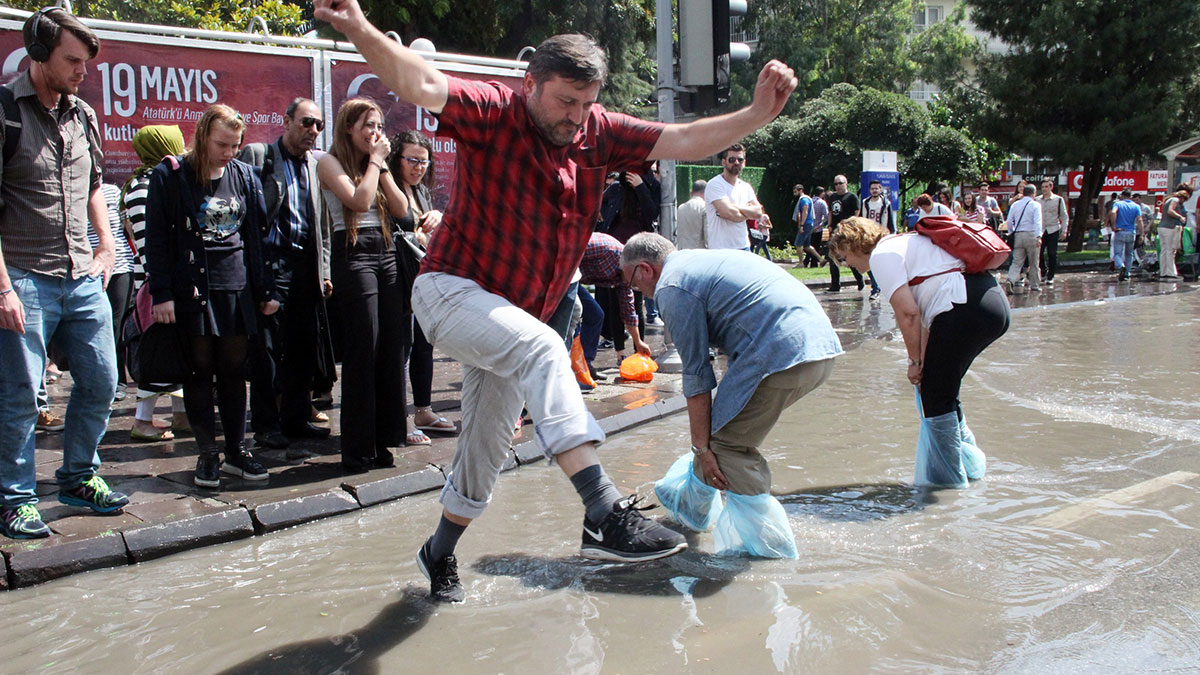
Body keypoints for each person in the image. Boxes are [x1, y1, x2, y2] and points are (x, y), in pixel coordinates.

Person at [315, 0, 797, 603]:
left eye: (586, 104)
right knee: (547, 346)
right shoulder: (495, 111)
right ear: (530, 84)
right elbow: (422, 80)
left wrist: (754, 113)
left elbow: (682, 137)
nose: (576, 117)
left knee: (485, 454)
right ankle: (602, 510)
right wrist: (358, 28)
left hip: (515, 323)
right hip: (449, 291)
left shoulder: (599, 132)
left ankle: (437, 552)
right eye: (564, 101)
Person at [622, 233, 842, 558]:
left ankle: (771, 552)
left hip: (781, 353)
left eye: (633, 284)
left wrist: (701, 449)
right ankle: (694, 515)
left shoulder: (672, 287)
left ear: (644, 269)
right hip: (818, 349)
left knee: (724, 446)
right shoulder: (698, 262)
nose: (637, 292)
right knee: (721, 433)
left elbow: (697, 376)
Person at [0, 8, 131, 538]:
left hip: (82, 273)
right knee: (22, 395)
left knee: (102, 380)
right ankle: (13, 498)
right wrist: (2, 287)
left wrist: (105, 245)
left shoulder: (84, 115)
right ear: (38, 53)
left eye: (87, 62)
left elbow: (95, 184)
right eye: (72, 60)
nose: (83, 71)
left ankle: (79, 476)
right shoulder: (5, 110)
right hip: (23, 273)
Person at [146, 104, 279, 488]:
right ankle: (208, 454)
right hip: (192, 289)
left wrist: (264, 289)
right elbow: (156, 239)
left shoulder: (244, 175)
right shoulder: (171, 175)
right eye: (222, 143)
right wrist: (162, 293)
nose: (229, 152)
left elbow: (256, 234)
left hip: (235, 288)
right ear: (203, 135)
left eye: (236, 145)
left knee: (235, 372)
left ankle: (237, 451)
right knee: (199, 370)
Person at [830, 217, 1010, 488]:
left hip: (965, 308)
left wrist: (914, 362)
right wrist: (923, 362)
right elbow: (926, 319)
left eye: (844, 257)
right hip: (988, 303)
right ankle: (968, 467)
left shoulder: (882, 255)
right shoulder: (904, 243)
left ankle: (947, 484)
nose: (848, 265)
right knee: (940, 390)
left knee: (936, 396)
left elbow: (909, 314)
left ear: (854, 244)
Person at [318, 98, 411, 472]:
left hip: (386, 251)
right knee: (363, 349)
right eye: (367, 126)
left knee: (391, 348)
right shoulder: (329, 162)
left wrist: (382, 164)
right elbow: (359, 200)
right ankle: (356, 447)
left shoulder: (376, 164)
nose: (375, 133)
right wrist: (374, 162)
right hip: (353, 253)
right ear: (348, 129)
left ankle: (384, 440)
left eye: (378, 126)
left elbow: (401, 208)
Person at [239, 98, 333, 449]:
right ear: (287, 121)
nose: (313, 131)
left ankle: (296, 418)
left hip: (305, 267)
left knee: (303, 347)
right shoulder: (258, 156)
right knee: (266, 350)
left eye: (319, 125)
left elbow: (321, 221)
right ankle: (265, 424)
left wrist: (324, 270)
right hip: (270, 266)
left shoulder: (315, 164)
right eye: (307, 122)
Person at [388, 128, 458, 441]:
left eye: (424, 162)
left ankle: (423, 410)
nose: (418, 167)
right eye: (412, 160)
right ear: (396, 159)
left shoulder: (422, 192)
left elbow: (429, 233)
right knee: (401, 348)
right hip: (395, 278)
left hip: (420, 278)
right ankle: (399, 418)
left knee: (423, 345)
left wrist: (438, 217)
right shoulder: (387, 186)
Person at [122, 124, 190, 442]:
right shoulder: (144, 186)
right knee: (158, 350)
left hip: (158, 282)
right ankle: (143, 420)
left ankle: (180, 415)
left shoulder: (150, 180)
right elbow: (150, 241)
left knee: (173, 348)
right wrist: (159, 287)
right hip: (152, 285)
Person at [91, 182, 136, 401]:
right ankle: (99, 380)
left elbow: (127, 227)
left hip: (121, 266)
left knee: (116, 325)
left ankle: (118, 380)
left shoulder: (113, 191)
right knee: (97, 327)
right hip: (89, 267)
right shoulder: (75, 189)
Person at [704, 144, 763, 251]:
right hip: (721, 248)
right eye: (732, 159)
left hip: (744, 246)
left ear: (744, 163)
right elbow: (730, 214)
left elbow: (758, 212)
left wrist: (735, 207)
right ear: (723, 162)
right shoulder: (715, 184)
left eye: (740, 159)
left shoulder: (746, 187)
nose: (736, 162)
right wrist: (748, 213)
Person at [824, 174, 865, 292]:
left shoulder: (851, 197)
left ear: (846, 184)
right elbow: (831, 212)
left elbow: (857, 212)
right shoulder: (833, 197)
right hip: (835, 230)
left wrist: (849, 223)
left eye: (840, 183)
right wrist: (830, 225)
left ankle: (859, 279)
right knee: (833, 257)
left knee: (848, 257)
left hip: (847, 231)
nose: (838, 186)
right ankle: (835, 285)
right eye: (835, 184)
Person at [1005, 183, 1042, 293]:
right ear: (1034, 193)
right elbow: (1038, 222)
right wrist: (1038, 236)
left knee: (1016, 262)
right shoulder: (1035, 205)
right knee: (1034, 262)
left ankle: (1010, 280)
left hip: (1018, 235)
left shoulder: (1015, 205)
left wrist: (1012, 232)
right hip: (1031, 234)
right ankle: (1035, 285)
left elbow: (1009, 221)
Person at [1035, 179, 1068, 285]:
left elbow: (1064, 215)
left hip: (1053, 229)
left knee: (1052, 253)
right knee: (1039, 253)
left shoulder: (1058, 199)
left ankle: (1051, 276)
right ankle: (1043, 272)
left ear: (1051, 187)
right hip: (1041, 230)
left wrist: (1064, 231)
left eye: (1046, 187)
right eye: (1042, 187)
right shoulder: (1037, 200)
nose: (1044, 189)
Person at [1158, 184, 1193, 280]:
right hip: (1170, 227)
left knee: (1164, 250)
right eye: (1184, 200)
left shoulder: (1168, 200)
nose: (1183, 202)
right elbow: (1170, 211)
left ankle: (1163, 272)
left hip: (1162, 227)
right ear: (1182, 197)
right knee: (1171, 250)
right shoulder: (1176, 200)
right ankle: (1171, 273)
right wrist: (1180, 217)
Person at [1110, 187, 1143, 281]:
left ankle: (1121, 266)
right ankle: (1127, 273)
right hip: (1131, 232)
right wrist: (1142, 234)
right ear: (1130, 196)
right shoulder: (1136, 206)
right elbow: (1140, 220)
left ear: (1122, 195)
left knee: (1117, 254)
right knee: (1129, 254)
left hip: (1120, 231)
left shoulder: (1118, 204)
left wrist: (1113, 226)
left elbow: (1113, 212)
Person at [675, 179, 707, 250]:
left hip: (682, 251)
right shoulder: (705, 207)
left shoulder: (681, 207)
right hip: (699, 253)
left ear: (691, 193)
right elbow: (707, 236)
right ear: (706, 193)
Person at [792, 184, 820, 264]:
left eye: (795, 192)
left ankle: (801, 263)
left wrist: (801, 225)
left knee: (798, 244)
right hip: (809, 223)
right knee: (807, 246)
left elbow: (805, 211)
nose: (794, 194)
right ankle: (821, 260)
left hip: (806, 224)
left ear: (801, 190)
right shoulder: (805, 199)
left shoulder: (804, 199)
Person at [807, 186, 829, 265]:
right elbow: (827, 216)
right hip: (818, 228)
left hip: (808, 227)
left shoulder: (809, 201)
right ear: (822, 193)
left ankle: (807, 262)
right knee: (816, 246)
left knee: (809, 245)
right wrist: (821, 225)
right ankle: (813, 263)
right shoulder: (822, 203)